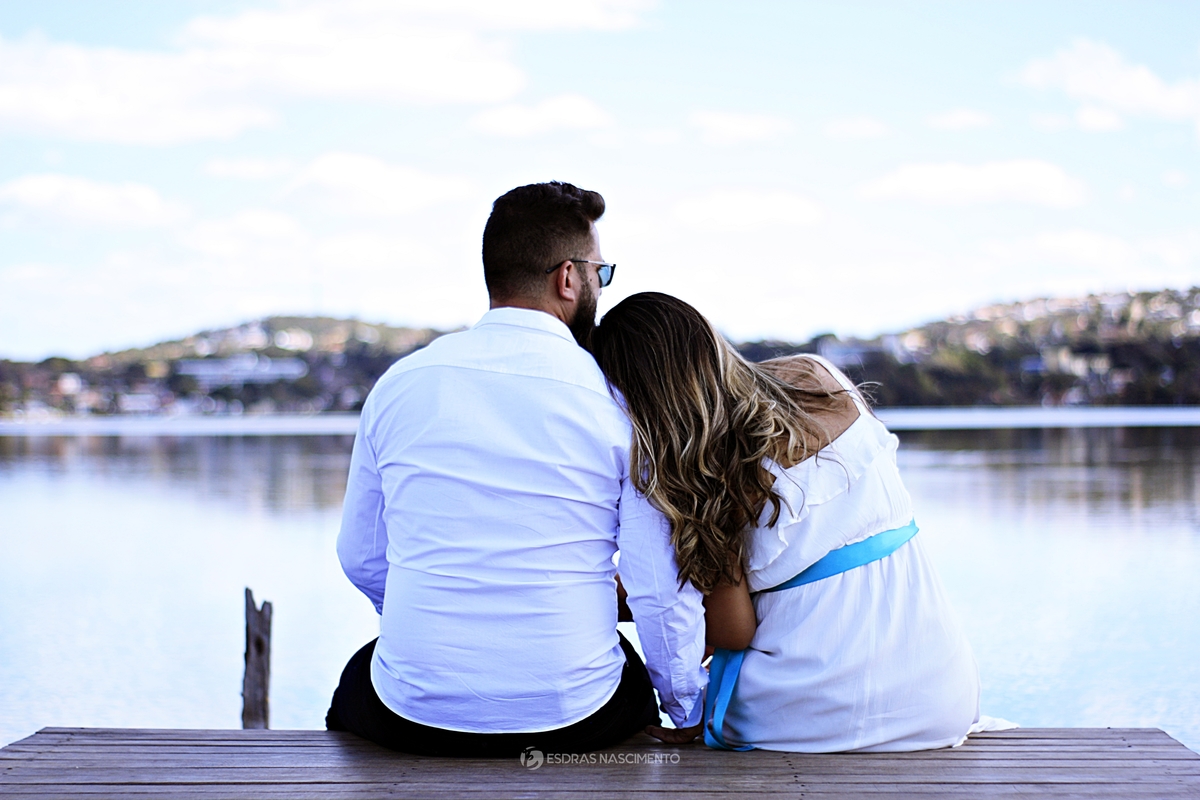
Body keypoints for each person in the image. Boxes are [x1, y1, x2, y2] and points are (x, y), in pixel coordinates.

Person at [326, 185, 707, 757]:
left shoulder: (400, 385)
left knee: (359, 677)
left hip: (416, 714)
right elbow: (655, 583)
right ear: (568, 278)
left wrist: (425, 624)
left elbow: (361, 556)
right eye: (600, 274)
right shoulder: (616, 400)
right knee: (622, 675)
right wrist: (685, 706)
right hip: (574, 713)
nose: (600, 288)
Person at [590, 292, 982, 752]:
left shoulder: (705, 473)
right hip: (941, 694)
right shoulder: (818, 377)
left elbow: (733, 633)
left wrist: (621, 603)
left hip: (815, 704)